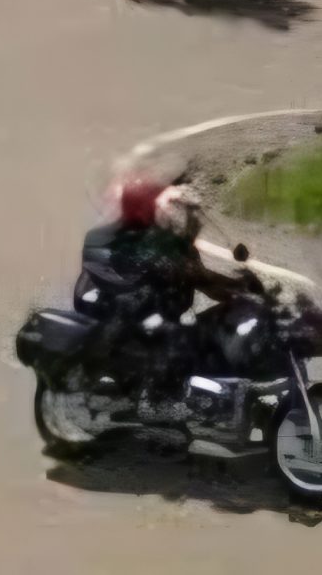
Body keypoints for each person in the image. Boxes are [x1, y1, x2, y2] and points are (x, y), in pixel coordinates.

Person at [76, 176, 238, 419]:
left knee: (203, 331)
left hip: (154, 318)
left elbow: (204, 280)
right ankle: (161, 401)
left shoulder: (169, 242)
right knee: (173, 338)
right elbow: (190, 275)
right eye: (145, 202)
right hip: (124, 321)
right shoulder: (108, 239)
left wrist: (240, 290)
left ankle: (168, 395)